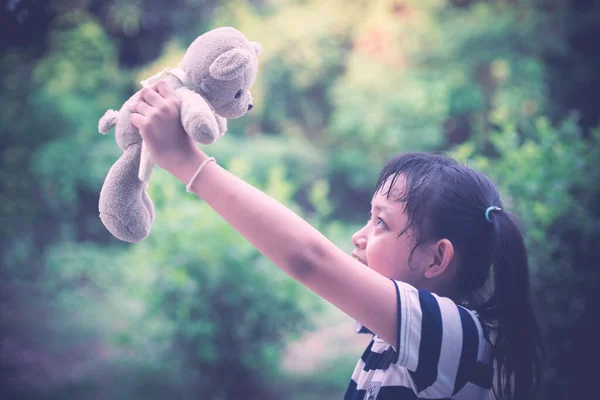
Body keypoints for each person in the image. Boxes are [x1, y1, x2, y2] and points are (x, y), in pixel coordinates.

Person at [128, 81, 543, 400]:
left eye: (381, 223)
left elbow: (310, 259)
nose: (359, 236)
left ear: (437, 259)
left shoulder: (455, 335)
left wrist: (186, 162)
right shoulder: (397, 341)